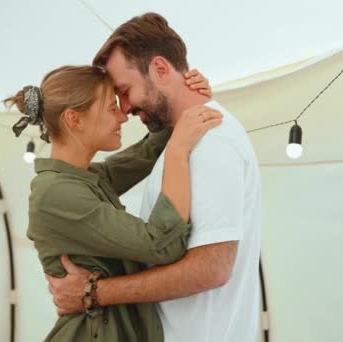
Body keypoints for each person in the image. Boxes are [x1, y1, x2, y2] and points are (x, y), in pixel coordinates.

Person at [47, 12, 262, 342]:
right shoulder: (185, 139)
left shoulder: (212, 141)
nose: (125, 109)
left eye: (125, 90)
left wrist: (94, 293)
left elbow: (212, 268)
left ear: (160, 69)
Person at [6, 64, 221, 341]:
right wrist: (178, 152)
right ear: (74, 120)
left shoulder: (84, 178)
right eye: (111, 108)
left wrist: (185, 98)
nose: (123, 116)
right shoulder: (57, 194)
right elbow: (160, 245)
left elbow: (146, 153)